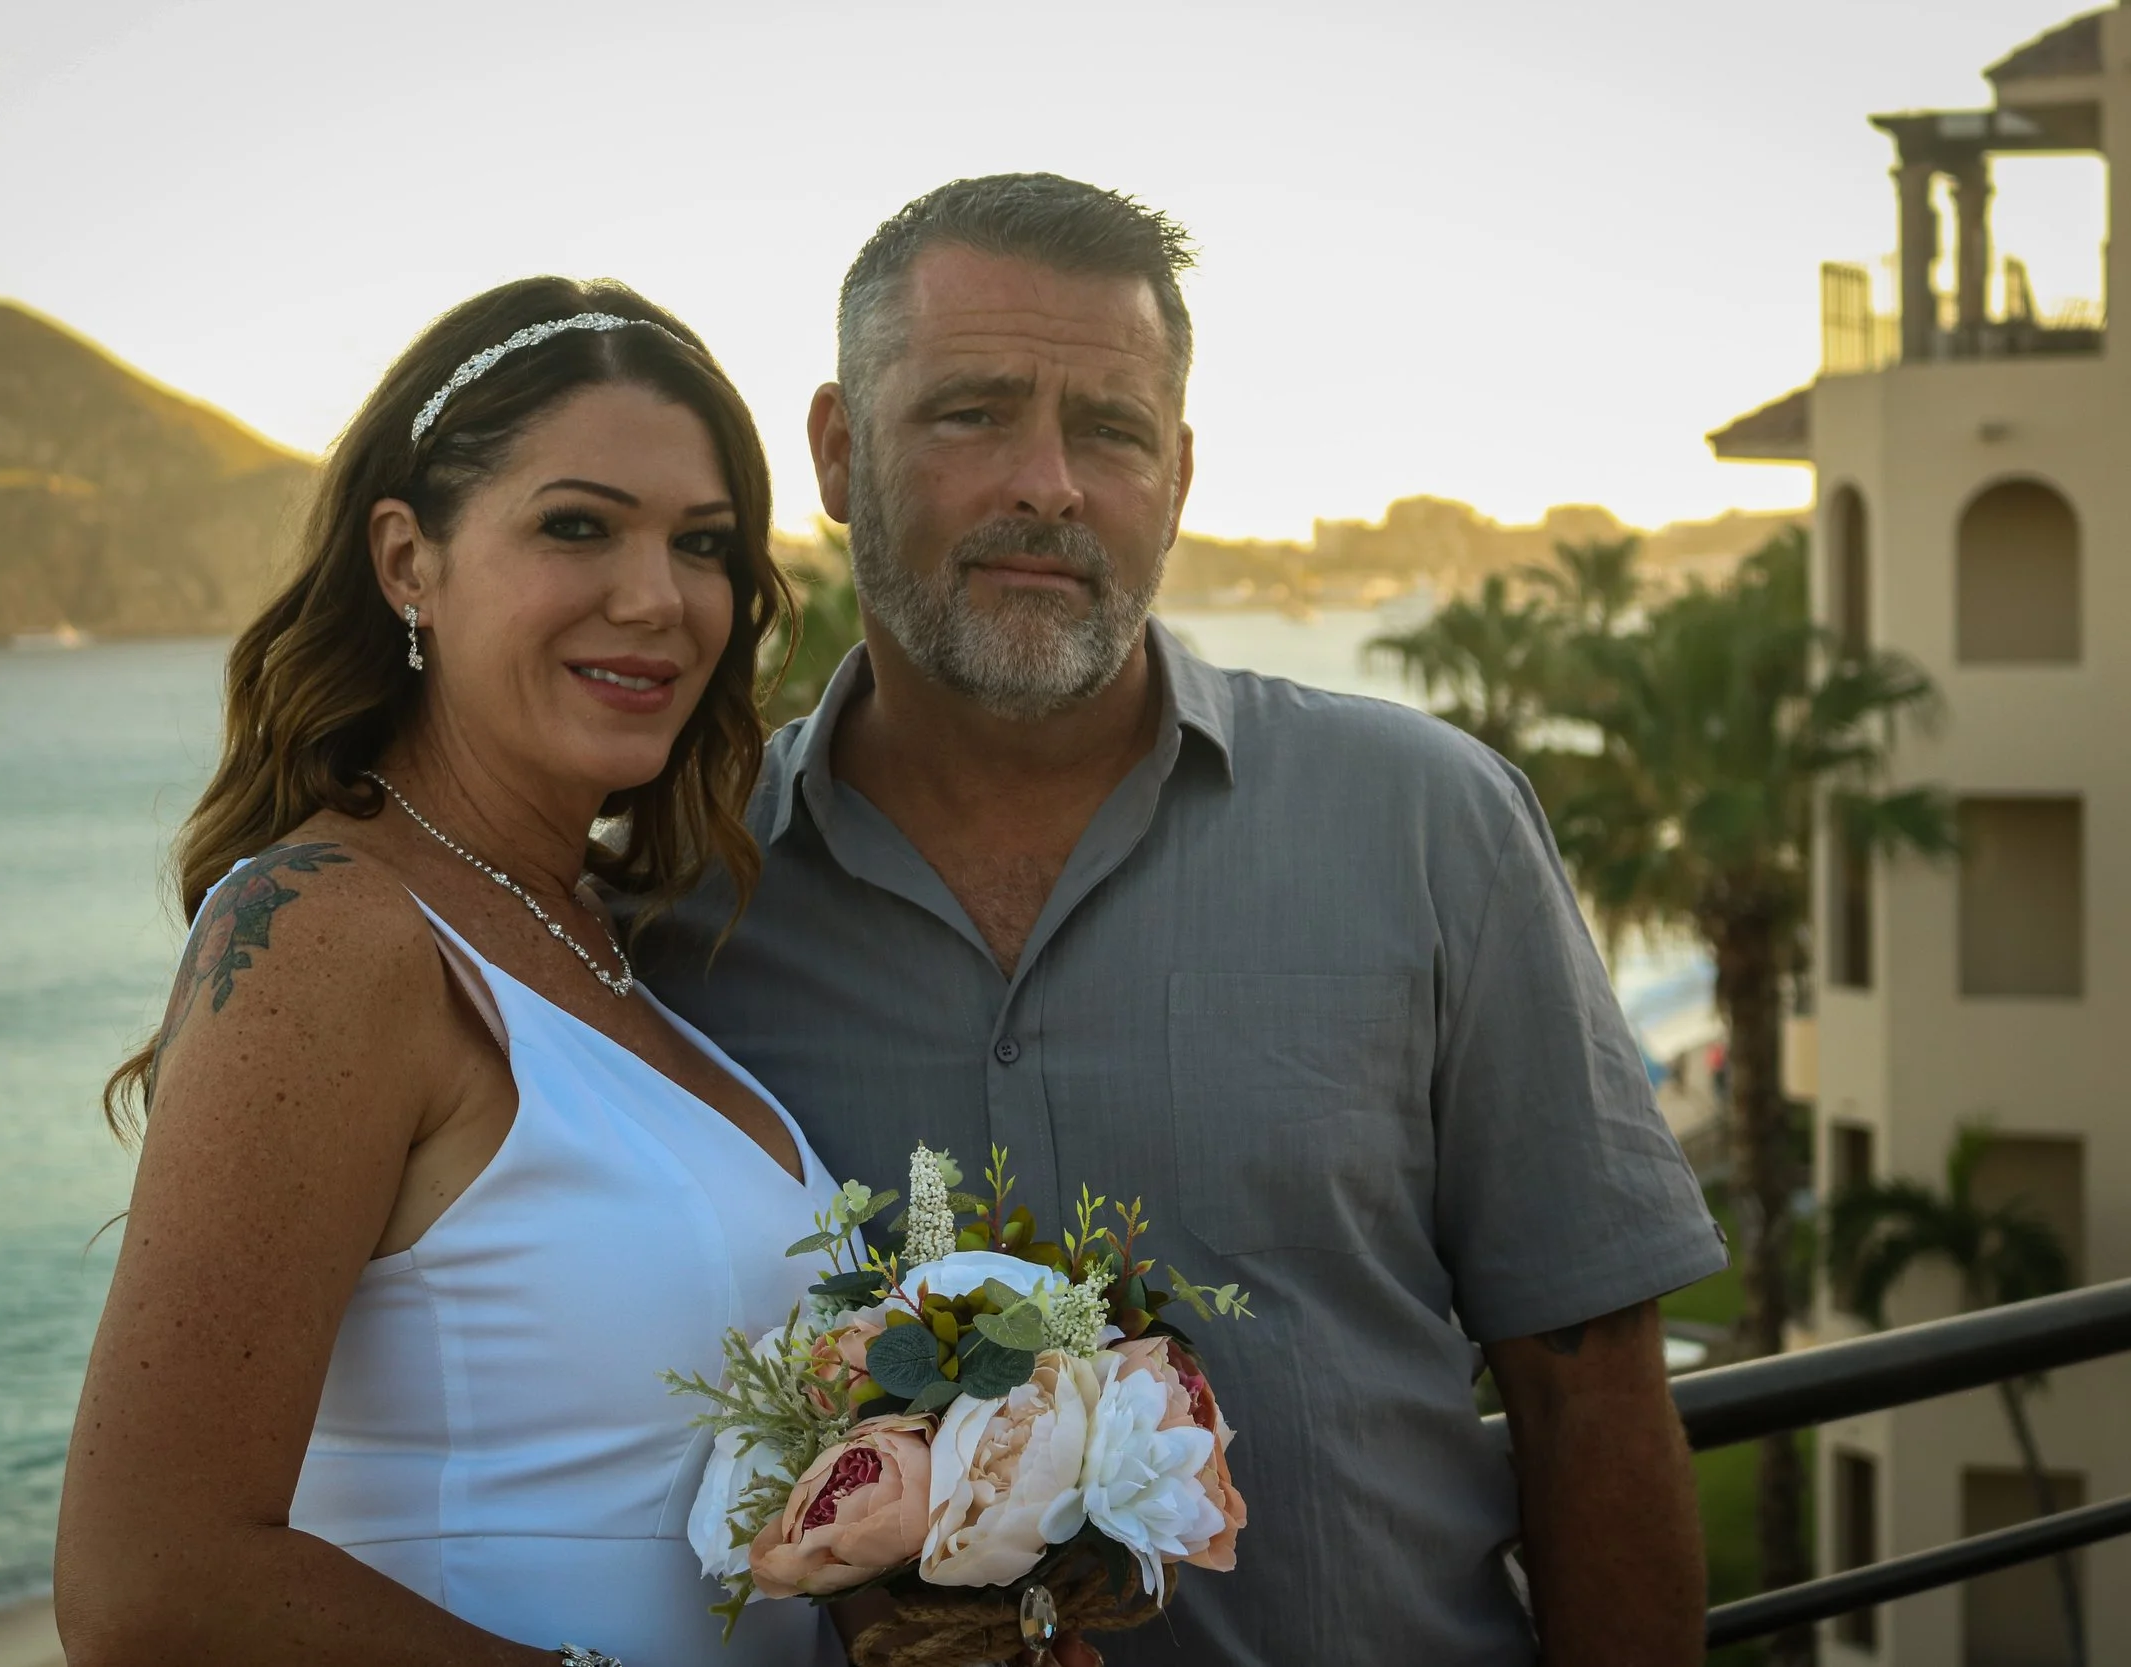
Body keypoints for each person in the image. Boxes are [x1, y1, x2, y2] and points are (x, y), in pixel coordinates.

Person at [639, 174, 1728, 1665]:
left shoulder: (1429, 825)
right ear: (836, 452)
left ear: (1182, 476)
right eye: (971, 414)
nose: (1050, 483)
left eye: (1112, 430)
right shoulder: (677, 897)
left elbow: (1590, 1385)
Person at [56, 277, 850, 1667]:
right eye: (577, 526)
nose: (657, 597)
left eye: (705, 542)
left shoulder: (608, 936)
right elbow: (149, 1585)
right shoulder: (330, 930)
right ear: (407, 558)